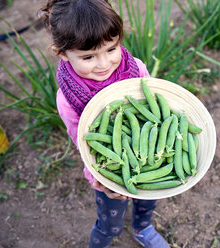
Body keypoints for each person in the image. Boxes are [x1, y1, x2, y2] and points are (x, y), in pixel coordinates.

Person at [39, 1, 169, 247]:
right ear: (62, 53)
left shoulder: (136, 69)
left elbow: (154, 109)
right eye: (88, 56)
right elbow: (85, 143)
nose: (103, 64)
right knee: (110, 222)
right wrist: (101, 178)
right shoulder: (69, 98)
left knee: (148, 197)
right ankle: (102, 239)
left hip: (149, 150)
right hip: (108, 166)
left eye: (111, 49)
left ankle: (143, 228)